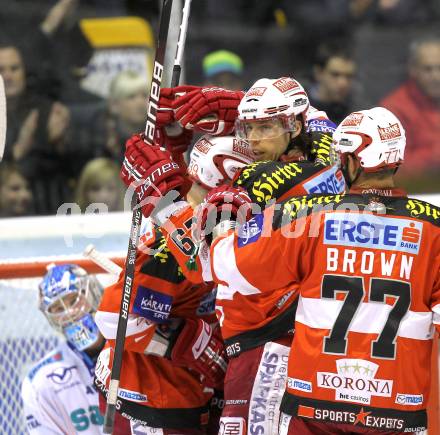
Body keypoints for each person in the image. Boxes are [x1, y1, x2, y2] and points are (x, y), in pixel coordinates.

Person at [120, 76, 345, 434]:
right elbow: (314, 115)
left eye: (265, 127)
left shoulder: (256, 181)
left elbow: (205, 262)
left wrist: (159, 198)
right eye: (247, 128)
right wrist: (236, 104)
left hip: (270, 343)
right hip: (323, 339)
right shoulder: (329, 151)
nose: (253, 140)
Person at [196, 107, 439, 434]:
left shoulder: (307, 218)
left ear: (353, 161)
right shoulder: (432, 228)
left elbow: (226, 266)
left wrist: (223, 224)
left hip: (316, 407)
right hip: (396, 411)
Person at [94, 134, 255, 434]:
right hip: (150, 397)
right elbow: (112, 318)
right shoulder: (172, 246)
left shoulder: (199, 225)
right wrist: (189, 342)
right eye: (247, 187)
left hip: (173, 391)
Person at [21, 264, 130, 434]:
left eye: (73, 300)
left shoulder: (135, 350)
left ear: (93, 293)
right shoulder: (41, 381)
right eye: (57, 308)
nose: (69, 312)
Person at [0, 43, 72, 214]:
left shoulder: (46, 111)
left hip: (48, 206)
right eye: (1, 70)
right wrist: (20, 149)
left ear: (24, 72)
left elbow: (66, 168)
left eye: (14, 68)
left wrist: (62, 143)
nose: (8, 76)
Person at [380, 36, 440, 192]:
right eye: (428, 69)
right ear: (413, 70)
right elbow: (394, 168)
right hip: (418, 194)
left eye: (439, 68)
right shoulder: (393, 109)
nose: (436, 76)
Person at [308, 41, 361, 125]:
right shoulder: (297, 109)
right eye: (335, 75)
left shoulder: (360, 113)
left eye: (349, 76)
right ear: (318, 73)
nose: (343, 83)